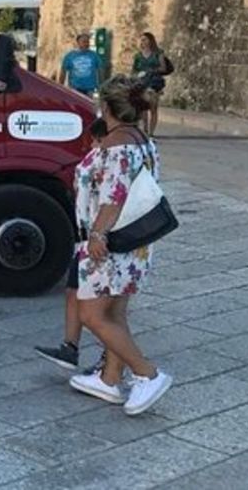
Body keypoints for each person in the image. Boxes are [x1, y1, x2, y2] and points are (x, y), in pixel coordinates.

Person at [67, 75, 172, 416]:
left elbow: (113, 196)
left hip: (109, 243)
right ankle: (110, 379)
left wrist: (97, 235)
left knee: (91, 314)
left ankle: (147, 374)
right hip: (135, 243)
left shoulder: (116, 145)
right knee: (114, 312)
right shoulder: (143, 140)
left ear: (105, 107)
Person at [35, 117, 124, 373]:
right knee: (73, 290)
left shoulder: (112, 159)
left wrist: (98, 234)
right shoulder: (103, 157)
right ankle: (70, 347)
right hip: (87, 238)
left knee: (101, 313)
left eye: (97, 140)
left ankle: (123, 367)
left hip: (99, 239)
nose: (92, 146)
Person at [132, 32, 169, 135]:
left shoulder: (158, 53)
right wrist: (136, 75)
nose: (143, 42)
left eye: (145, 39)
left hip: (154, 82)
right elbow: (134, 70)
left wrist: (151, 71)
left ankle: (151, 132)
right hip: (143, 83)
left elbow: (163, 68)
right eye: (142, 40)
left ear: (150, 40)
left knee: (153, 107)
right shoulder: (138, 56)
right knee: (144, 107)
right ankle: (145, 129)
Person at [58, 32, 102, 96]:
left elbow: (100, 70)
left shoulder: (94, 56)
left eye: (88, 42)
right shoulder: (70, 56)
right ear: (78, 43)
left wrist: (101, 86)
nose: (86, 44)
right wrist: (60, 87)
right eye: (84, 42)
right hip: (75, 89)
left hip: (89, 89)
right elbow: (63, 71)